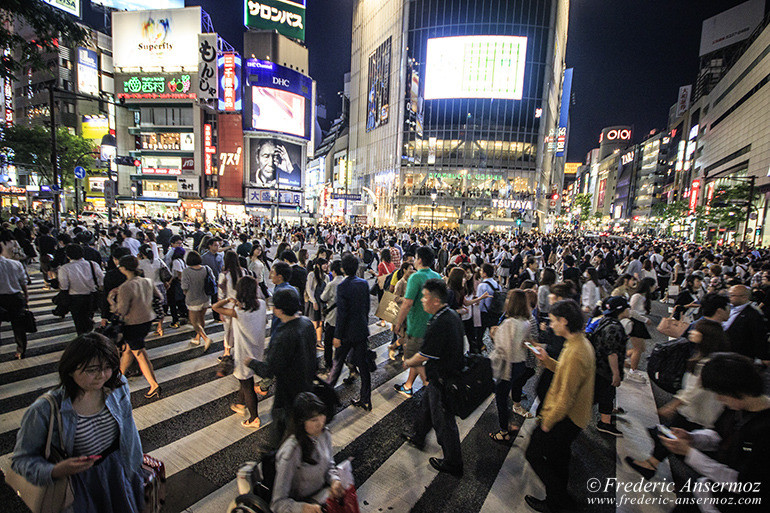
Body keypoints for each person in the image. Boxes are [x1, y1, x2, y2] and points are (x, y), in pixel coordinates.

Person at [12, 333, 145, 513]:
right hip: (79, 485)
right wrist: (55, 470)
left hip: (119, 472)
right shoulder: (46, 409)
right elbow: (21, 460)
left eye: (108, 367)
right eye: (92, 370)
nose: (102, 375)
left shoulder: (117, 385)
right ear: (70, 369)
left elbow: (129, 430)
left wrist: (135, 467)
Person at [658, 353, 770, 511]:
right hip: (709, 492)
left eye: (720, 393)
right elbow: (720, 435)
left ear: (736, 390)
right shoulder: (736, 409)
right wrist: (692, 438)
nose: (718, 399)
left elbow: (742, 484)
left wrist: (690, 453)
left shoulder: (763, 430)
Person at [626, 318, 728, 479]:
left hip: (694, 412)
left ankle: (655, 465)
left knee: (673, 437)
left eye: (696, 331)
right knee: (671, 436)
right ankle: (651, 463)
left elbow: (693, 391)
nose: (692, 332)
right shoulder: (709, 357)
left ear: (705, 337)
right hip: (696, 411)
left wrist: (672, 405)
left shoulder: (707, 363)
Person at [525, 300, 595, 513]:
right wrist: (546, 360)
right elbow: (565, 373)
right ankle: (557, 501)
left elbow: (566, 396)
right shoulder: (578, 342)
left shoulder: (575, 352)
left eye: (554, 320)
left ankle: (559, 499)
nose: (550, 324)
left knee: (534, 454)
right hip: (573, 417)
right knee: (558, 459)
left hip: (564, 418)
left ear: (564, 321)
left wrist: (548, 422)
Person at [401, 279, 465, 477]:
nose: (422, 300)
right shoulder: (451, 314)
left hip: (443, 377)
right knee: (427, 407)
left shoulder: (440, 322)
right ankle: (418, 435)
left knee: (443, 421)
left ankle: (453, 462)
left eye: (425, 296)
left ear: (436, 300)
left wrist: (409, 362)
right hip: (444, 374)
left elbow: (426, 354)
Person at [248, 288, 317, 450]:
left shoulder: (283, 334)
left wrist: (250, 362)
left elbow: (269, 370)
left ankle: (276, 455)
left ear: (278, 310)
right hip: (306, 385)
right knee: (299, 425)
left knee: (281, 426)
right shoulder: (306, 323)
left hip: (287, 391)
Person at [271, 392, 347, 513]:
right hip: (301, 504)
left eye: (322, 416)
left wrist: (334, 480)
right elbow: (278, 503)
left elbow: (329, 465)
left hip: (321, 498)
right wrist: (303, 508)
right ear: (301, 422)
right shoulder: (291, 452)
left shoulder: (324, 434)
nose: (320, 423)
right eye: (313, 420)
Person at [212, 276, 266, 429]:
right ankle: (240, 404)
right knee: (245, 380)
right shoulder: (262, 305)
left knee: (247, 384)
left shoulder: (238, 311)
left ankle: (254, 417)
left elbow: (215, 307)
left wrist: (229, 299)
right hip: (258, 350)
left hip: (244, 354)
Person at [392, 246, 442, 398]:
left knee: (411, 359)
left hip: (416, 326)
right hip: (432, 326)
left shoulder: (415, 277)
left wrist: (398, 322)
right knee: (418, 357)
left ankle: (433, 390)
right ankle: (408, 386)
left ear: (419, 259)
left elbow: (407, 303)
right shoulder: (436, 276)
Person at [110, 255, 162, 399]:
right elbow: (159, 298)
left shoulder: (125, 287)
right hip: (147, 320)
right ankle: (119, 375)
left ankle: (153, 384)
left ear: (123, 268)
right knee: (128, 350)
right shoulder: (147, 281)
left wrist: (111, 300)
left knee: (139, 353)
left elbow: (122, 310)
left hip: (132, 324)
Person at [328, 254, 373, 410]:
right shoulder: (363, 284)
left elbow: (342, 313)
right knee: (363, 366)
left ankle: (326, 398)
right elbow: (367, 308)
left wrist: (338, 335)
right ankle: (366, 399)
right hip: (360, 330)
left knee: (337, 363)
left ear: (342, 268)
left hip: (346, 333)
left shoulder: (343, 286)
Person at [489, 289, 533, 445]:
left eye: (508, 298)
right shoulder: (526, 322)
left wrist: (495, 334)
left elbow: (502, 348)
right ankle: (508, 423)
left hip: (507, 366)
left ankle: (503, 432)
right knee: (505, 394)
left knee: (500, 398)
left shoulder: (509, 323)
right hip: (520, 364)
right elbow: (524, 342)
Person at [591, 296, 630, 437]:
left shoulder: (605, 320)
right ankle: (604, 423)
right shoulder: (614, 327)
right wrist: (616, 373)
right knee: (604, 394)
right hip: (605, 369)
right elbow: (611, 353)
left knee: (603, 393)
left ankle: (606, 415)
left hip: (598, 365)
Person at [58, 243, 104, 335]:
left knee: (78, 321)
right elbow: (101, 281)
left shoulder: (65, 268)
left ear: (67, 255)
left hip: (75, 298)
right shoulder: (93, 264)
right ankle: (89, 332)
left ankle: (83, 338)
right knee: (89, 315)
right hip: (91, 296)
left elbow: (64, 287)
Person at [724, 284, 769, 363]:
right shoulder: (726, 308)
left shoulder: (753, 314)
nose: (729, 297)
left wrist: (763, 357)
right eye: (729, 294)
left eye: (732, 295)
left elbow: (759, 337)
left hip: (740, 357)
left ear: (744, 297)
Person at [0, 249, 29, 359]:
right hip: (15, 297)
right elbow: (23, 282)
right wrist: (26, 296)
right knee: (18, 325)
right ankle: (21, 350)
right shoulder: (15, 264)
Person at [181, 250, 212, 349]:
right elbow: (213, 280)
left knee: (194, 322)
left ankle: (205, 338)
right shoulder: (206, 268)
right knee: (201, 319)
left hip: (193, 300)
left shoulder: (186, 271)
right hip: (205, 298)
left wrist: (186, 292)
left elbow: (184, 286)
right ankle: (198, 338)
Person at [218, 251, 246, 360]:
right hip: (241, 305)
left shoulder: (224, 275)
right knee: (239, 329)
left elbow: (221, 294)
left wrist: (220, 311)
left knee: (228, 330)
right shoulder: (242, 272)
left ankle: (227, 353)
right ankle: (239, 352)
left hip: (228, 306)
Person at [320, 260, 345, 372]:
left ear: (333, 271)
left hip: (332, 318)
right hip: (344, 318)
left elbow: (323, 298)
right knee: (343, 343)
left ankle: (329, 363)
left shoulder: (331, 284)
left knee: (328, 343)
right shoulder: (346, 282)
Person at [477, 263, 502, 348]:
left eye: (481, 270)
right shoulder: (498, 285)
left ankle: (480, 348)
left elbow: (479, 302)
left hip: (484, 313)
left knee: (480, 334)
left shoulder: (482, 285)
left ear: (485, 273)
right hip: (495, 312)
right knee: (494, 334)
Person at [306, 257, 329, 344]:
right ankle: (311, 341)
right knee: (314, 322)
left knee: (321, 323)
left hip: (322, 302)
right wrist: (314, 301)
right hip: (314, 302)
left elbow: (327, 289)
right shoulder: (311, 275)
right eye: (324, 264)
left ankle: (319, 341)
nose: (326, 266)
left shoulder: (326, 276)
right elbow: (309, 289)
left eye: (326, 264)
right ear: (318, 265)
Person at [201, 238, 224, 321]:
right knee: (212, 299)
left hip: (219, 280)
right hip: (209, 281)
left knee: (218, 299)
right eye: (215, 245)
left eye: (218, 245)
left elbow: (222, 268)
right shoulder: (204, 257)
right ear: (210, 246)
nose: (217, 247)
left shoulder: (220, 256)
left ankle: (217, 315)